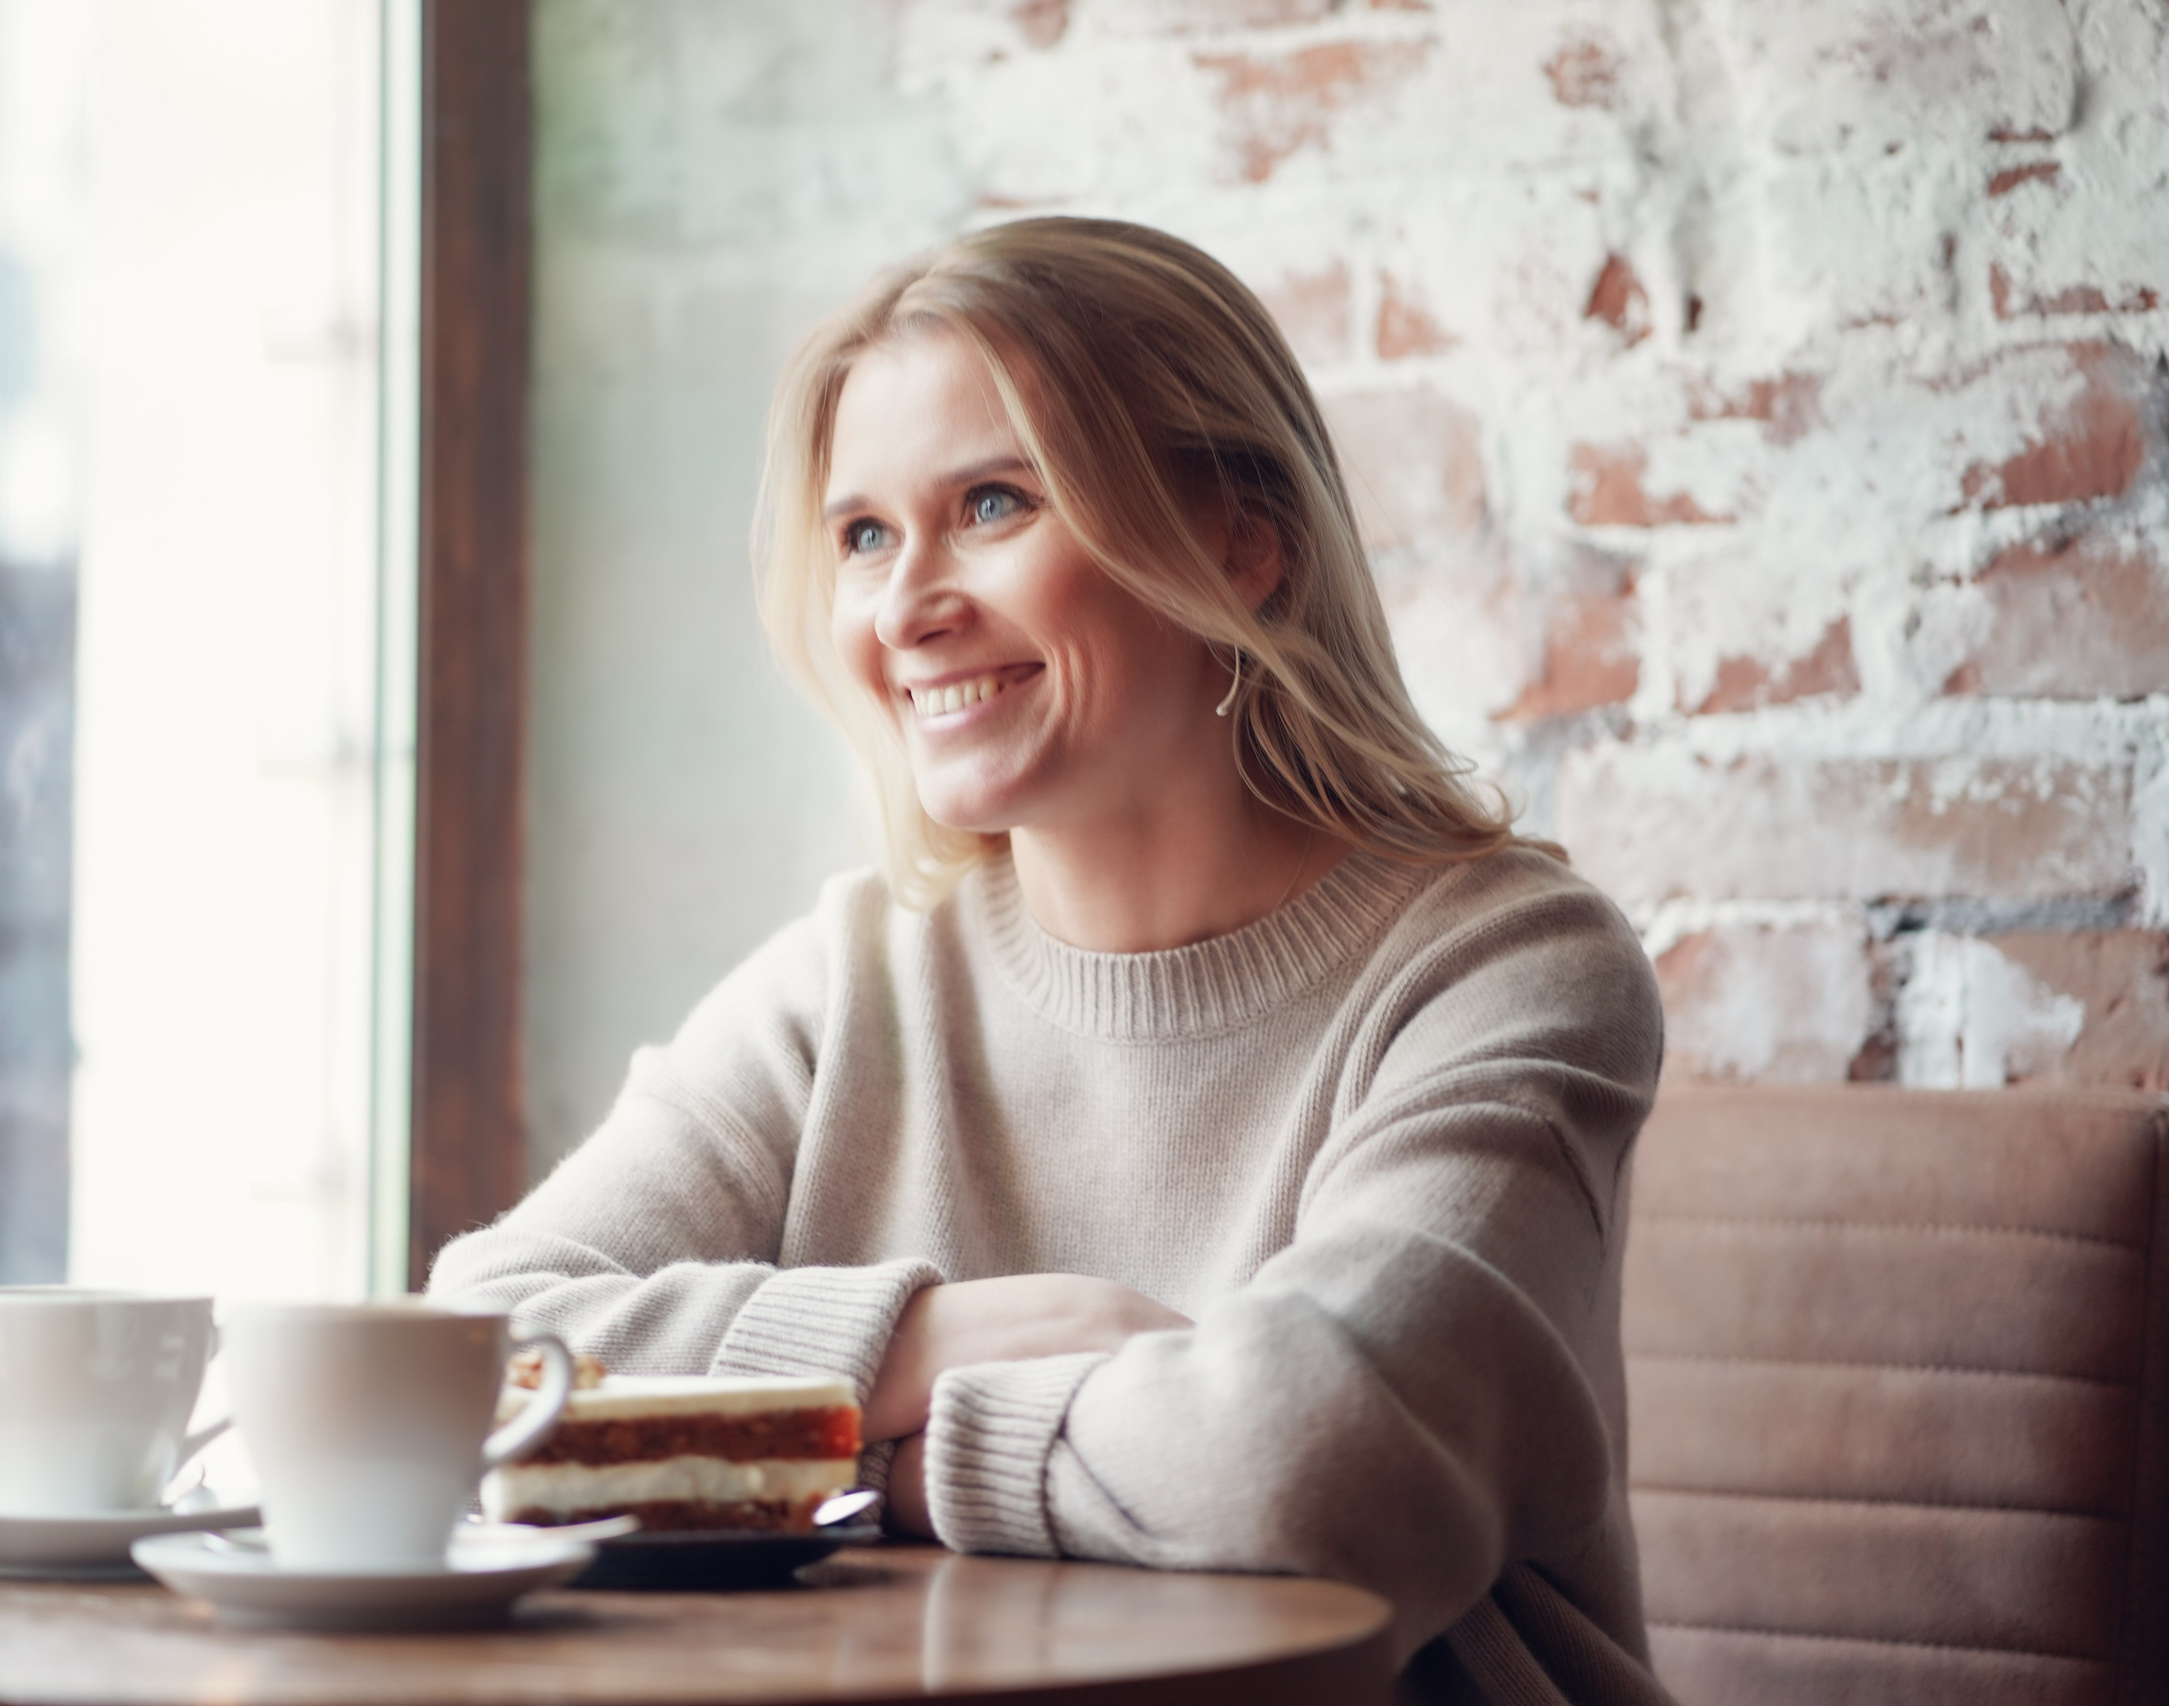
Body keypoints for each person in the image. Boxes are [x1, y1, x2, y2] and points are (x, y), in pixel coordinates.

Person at [429, 217, 1668, 1705]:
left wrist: (849, 1452)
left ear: (1242, 545)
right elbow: (467, 1361)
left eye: (995, 502)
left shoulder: (1509, 967)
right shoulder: (858, 978)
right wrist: (922, 1336)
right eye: (865, 534)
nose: (904, 608)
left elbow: (1304, 1460)